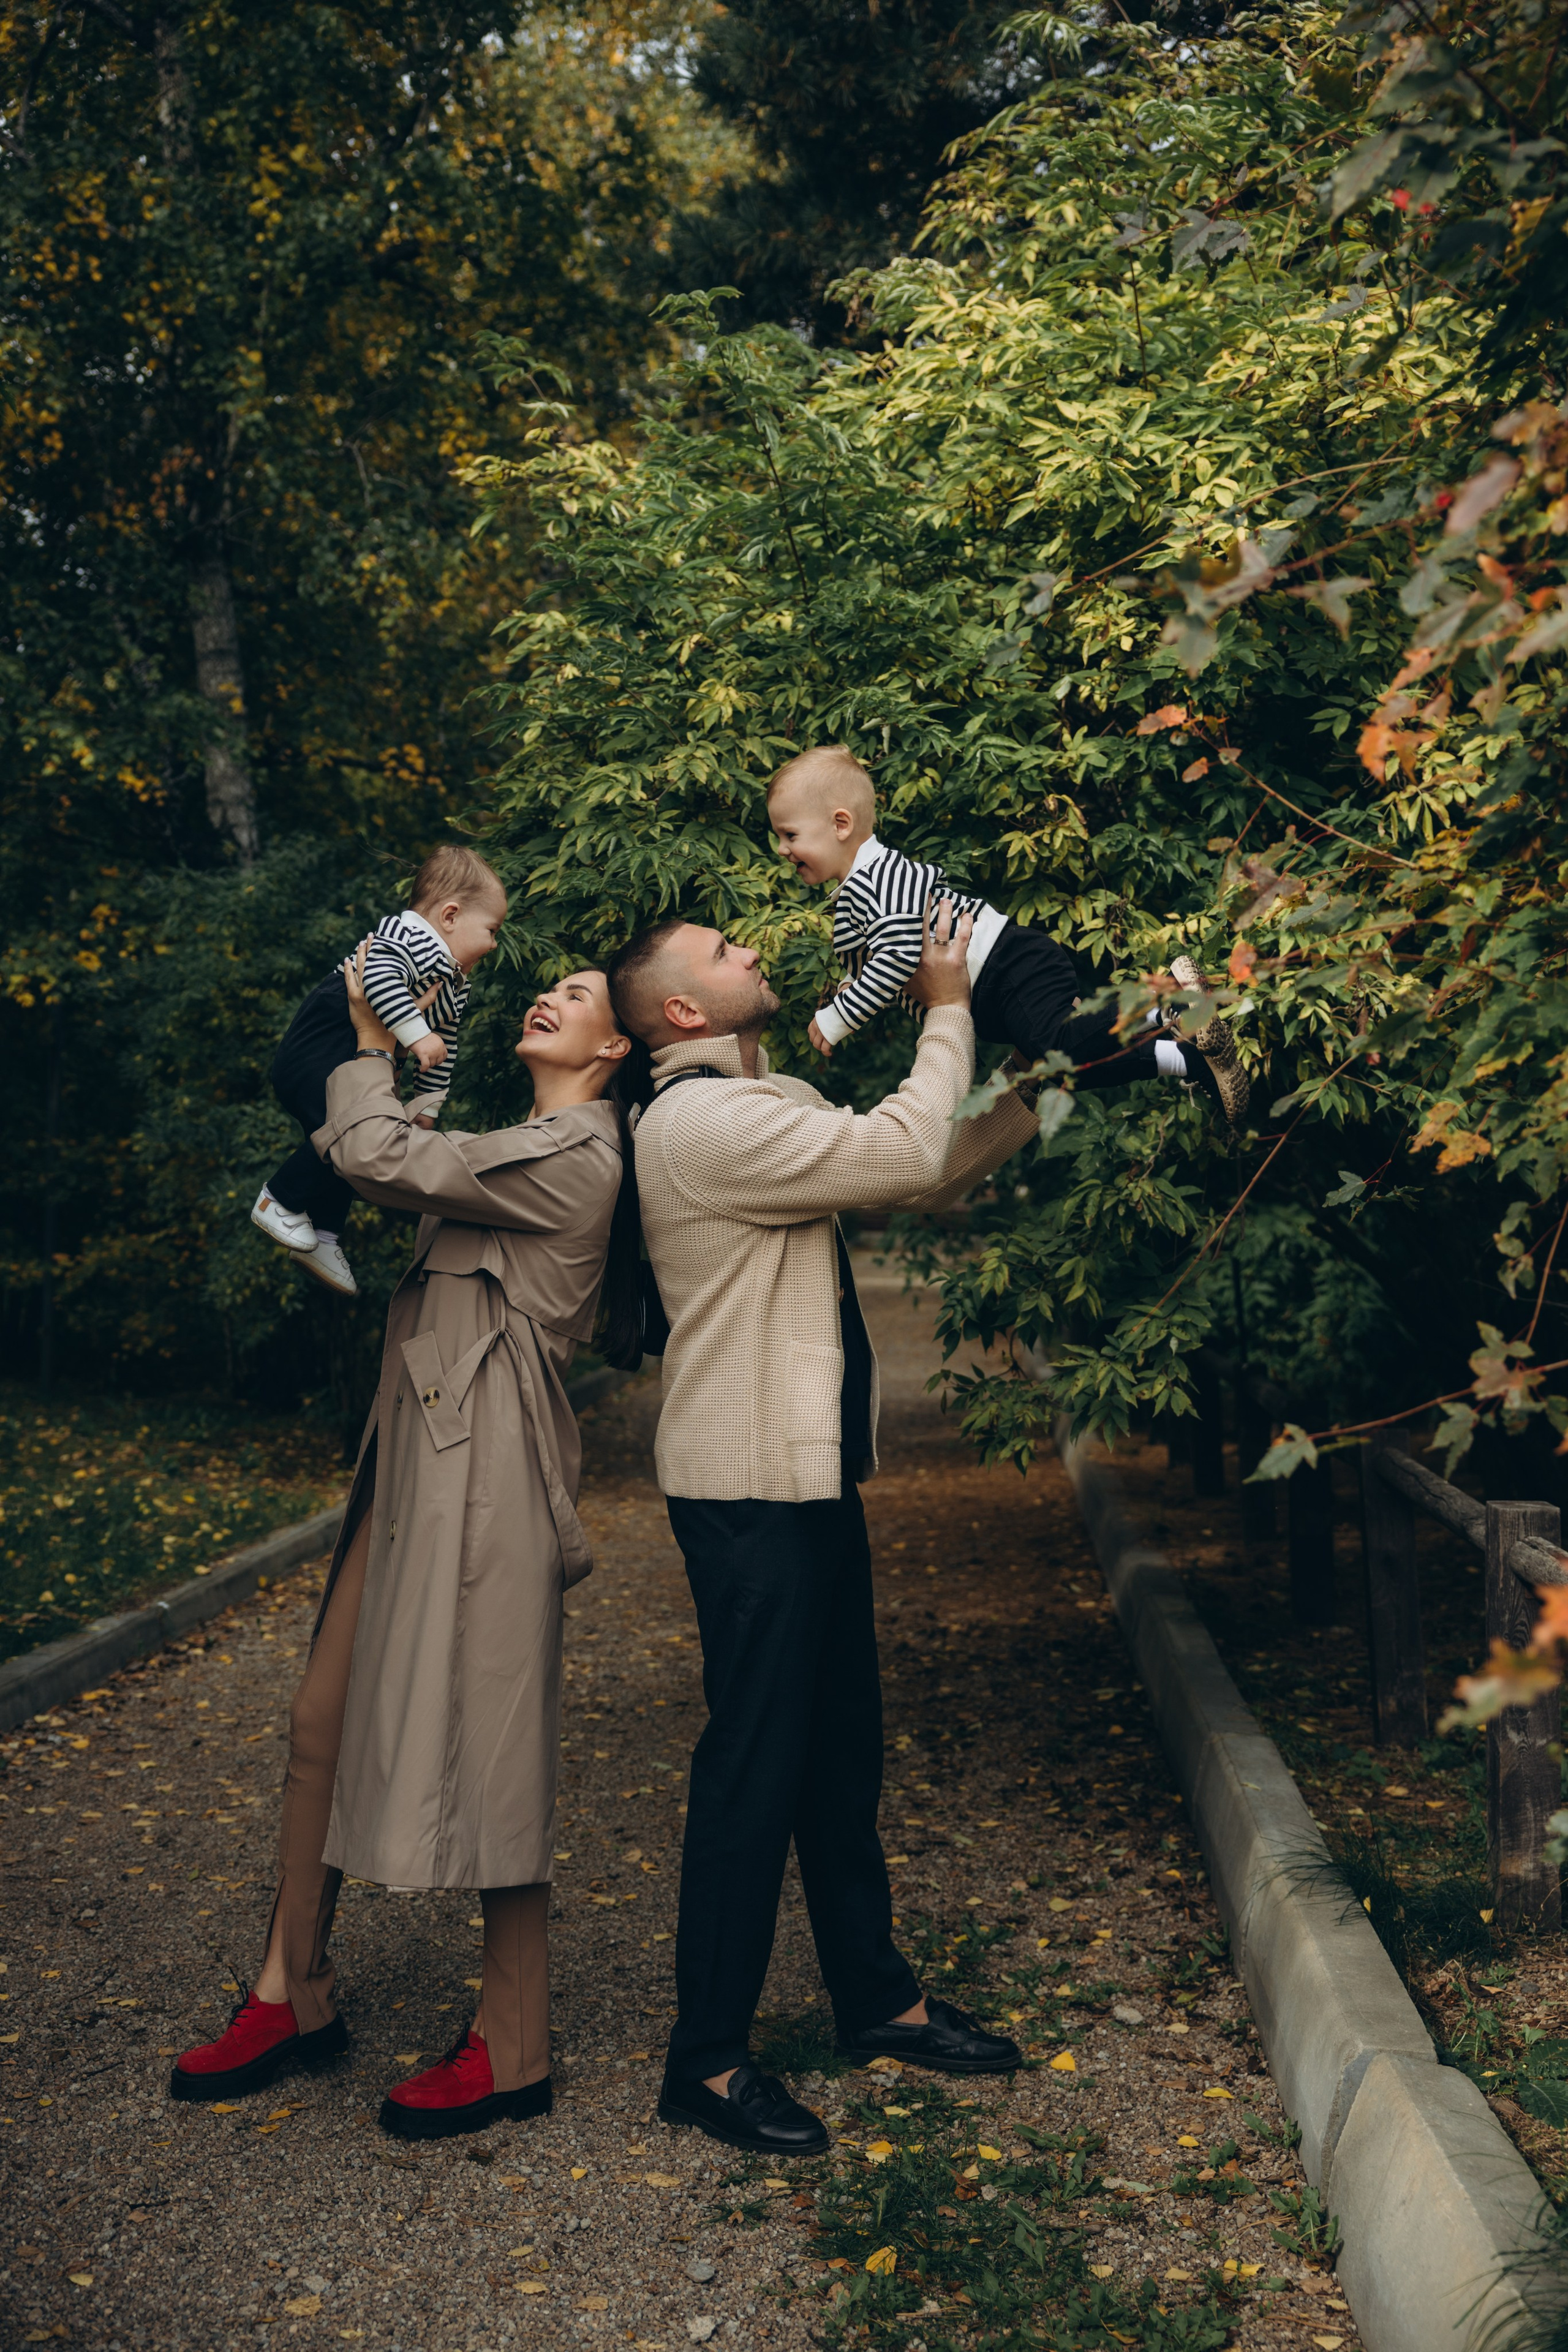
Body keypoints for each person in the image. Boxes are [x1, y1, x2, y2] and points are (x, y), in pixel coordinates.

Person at [173, 954, 646, 2139]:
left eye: (582, 997)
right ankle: (292, 1990)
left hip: (487, 1473)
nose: (551, 998)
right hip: (415, 1455)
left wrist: (364, 1044)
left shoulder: (578, 1155)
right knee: (318, 1724)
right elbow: (385, 1158)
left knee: (493, 1747)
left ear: (616, 1048)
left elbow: (376, 1156)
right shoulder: (503, 1146)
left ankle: (514, 2040)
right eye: (552, 987)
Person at [604, 899, 1041, 2158]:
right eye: (723, 954)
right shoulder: (699, 1121)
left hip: (799, 1480)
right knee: (754, 1764)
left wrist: (1043, 1075)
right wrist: (947, 1005)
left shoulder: (771, 1089)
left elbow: (929, 1156)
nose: (752, 952)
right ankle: (707, 2061)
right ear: (681, 1011)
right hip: (744, 1488)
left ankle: (875, 2001)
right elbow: (904, 1151)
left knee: (840, 1749)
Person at [767, 742, 1249, 1126]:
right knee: (1061, 1069)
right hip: (991, 991)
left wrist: (840, 1017)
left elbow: (894, 958)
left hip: (1008, 965)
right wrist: (857, 985)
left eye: (790, 835)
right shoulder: (859, 891)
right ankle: (1186, 1055)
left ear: (841, 824)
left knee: (1054, 1048)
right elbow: (890, 961)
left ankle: (1161, 996)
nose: (784, 850)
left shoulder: (880, 877)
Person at [250, 845, 510, 1297]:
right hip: (324, 1040)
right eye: (491, 930)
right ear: (450, 916)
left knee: (357, 1148)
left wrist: (429, 1103)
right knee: (350, 1134)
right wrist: (414, 1033)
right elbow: (377, 980)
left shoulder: (453, 980)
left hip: (357, 1053)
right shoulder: (409, 938)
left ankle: (325, 1237)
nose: (493, 943)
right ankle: (281, 1198)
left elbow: (443, 1043)